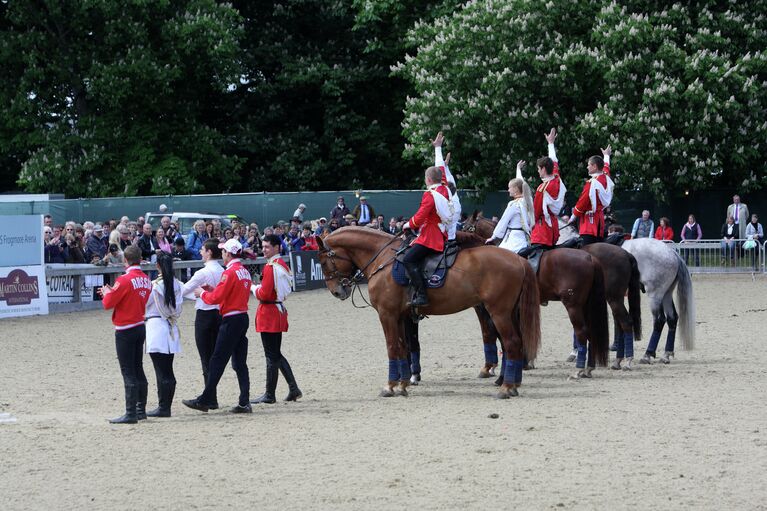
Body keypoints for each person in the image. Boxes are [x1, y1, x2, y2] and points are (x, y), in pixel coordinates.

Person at [183, 239, 252, 414]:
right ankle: (244, 401)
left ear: (228, 254)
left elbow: (216, 299)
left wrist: (203, 293)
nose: (222, 254)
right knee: (239, 362)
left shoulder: (230, 273)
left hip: (231, 319)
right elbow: (229, 294)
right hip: (242, 317)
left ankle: (206, 398)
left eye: (223, 252)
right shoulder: (244, 271)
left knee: (217, 360)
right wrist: (212, 290)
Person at [99, 245, 152, 424]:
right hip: (139, 324)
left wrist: (107, 293)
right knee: (138, 368)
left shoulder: (123, 280)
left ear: (125, 260)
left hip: (125, 328)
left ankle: (130, 413)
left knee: (127, 370)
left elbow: (108, 304)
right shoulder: (146, 279)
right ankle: (140, 409)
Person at [250, 234, 302, 404]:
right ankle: (293, 388)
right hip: (277, 310)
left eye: (267, 247)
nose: (264, 250)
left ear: (276, 248)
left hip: (269, 311)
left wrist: (254, 288)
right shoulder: (281, 264)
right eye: (263, 246)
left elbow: (264, 293)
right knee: (275, 354)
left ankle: (270, 394)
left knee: (271, 355)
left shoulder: (270, 267)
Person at [401, 165, 449, 307]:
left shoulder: (430, 194)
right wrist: (438, 150)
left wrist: (407, 225)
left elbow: (420, 217)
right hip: (441, 232)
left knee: (408, 259)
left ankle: (422, 295)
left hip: (431, 235)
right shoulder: (444, 189)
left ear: (428, 180)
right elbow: (443, 177)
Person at [144, 252, 184, 417]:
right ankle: (165, 406)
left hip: (156, 325)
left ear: (157, 266)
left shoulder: (155, 285)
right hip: (170, 325)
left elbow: (144, 304)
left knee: (161, 370)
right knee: (168, 369)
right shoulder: (177, 284)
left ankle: (163, 407)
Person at [569, 142, 613, 245]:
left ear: (594, 166)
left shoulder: (591, 183)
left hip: (589, 223)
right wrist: (606, 156)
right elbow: (606, 169)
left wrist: (572, 217)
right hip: (600, 222)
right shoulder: (605, 178)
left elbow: (582, 202)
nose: (587, 167)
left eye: (589, 165)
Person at [486, 161, 534, 253]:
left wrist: (493, 237)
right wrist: (518, 169)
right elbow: (521, 183)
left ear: (515, 189)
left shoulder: (513, 204)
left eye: (509, 188)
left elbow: (504, 221)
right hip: (525, 238)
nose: (508, 190)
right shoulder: (528, 200)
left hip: (514, 239)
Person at [530, 128, 566, 249]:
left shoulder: (542, 188)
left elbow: (536, 212)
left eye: (539, 169)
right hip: (553, 228)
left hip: (542, 231)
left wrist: (528, 224)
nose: (538, 171)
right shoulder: (556, 179)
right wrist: (550, 143)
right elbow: (554, 162)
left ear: (544, 169)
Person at [432, 132, 462, 243]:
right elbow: (448, 180)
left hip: (439, 240)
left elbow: (440, 173)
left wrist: (438, 148)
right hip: (451, 239)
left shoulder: (440, 200)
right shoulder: (455, 201)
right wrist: (446, 167)